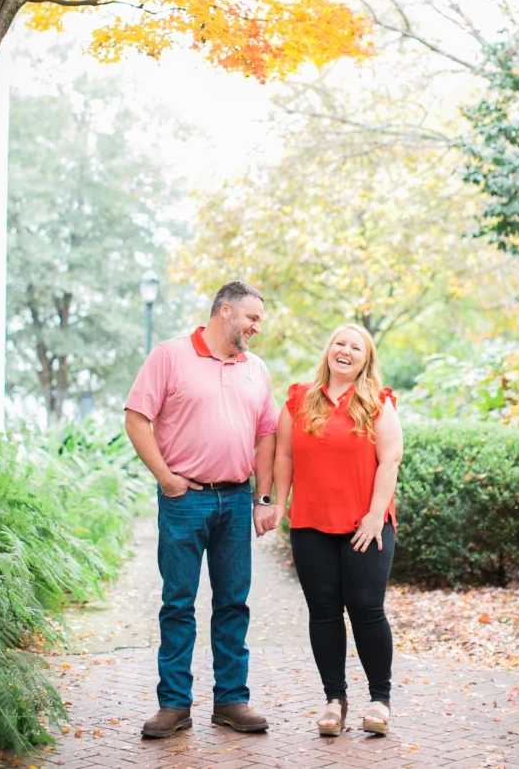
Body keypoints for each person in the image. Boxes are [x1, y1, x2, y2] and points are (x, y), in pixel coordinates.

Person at [124, 281, 279, 739]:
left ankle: (232, 700)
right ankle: (174, 705)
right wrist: (167, 479)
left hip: (235, 500)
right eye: (251, 318)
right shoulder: (169, 356)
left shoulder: (256, 368)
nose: (256, 328)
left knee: (233, 603)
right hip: (184, 500)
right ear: (225, 311)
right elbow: (136, 418)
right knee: (178, 603)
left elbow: (267, 433)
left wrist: (263, 497)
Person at [270, 323, 403, 738]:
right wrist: (278, 504)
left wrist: (374, 514)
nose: (345, 351)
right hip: (310, 523)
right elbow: (285, 455)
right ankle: (334, 699)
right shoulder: (298, 398)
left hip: (366, 525)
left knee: (366, 608)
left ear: (366, 360)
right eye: (339, 344)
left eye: (356, 348)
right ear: (328, 350)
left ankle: (380, 700)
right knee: (324, 612)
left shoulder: (377, 402)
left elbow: (391, 459)